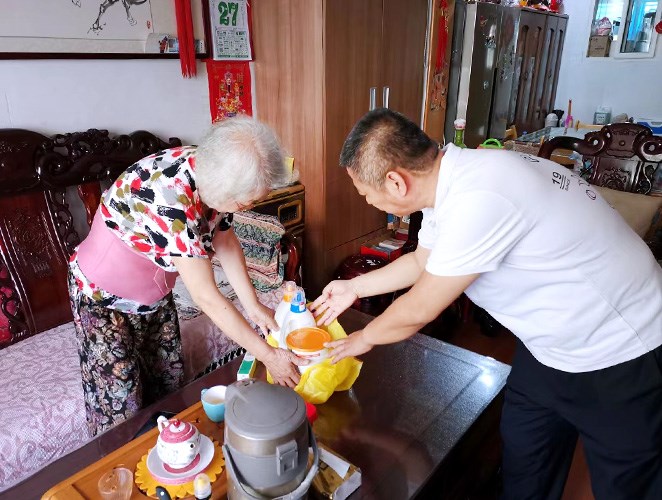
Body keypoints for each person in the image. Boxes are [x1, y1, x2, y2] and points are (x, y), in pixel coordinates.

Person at [311, 108, 662, 499]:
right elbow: (422, 262)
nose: (369, 202)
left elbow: (420, 308)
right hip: (551, 342)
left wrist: (359, 340)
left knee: (627, 484)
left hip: (622, 346)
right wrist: (354, 288)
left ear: (396, 181)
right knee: (525, 454)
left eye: (366, 194)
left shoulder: (480, 197)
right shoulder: (449, 184)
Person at [69, 116, 306, 436]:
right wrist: (269, 355)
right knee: (120, 407)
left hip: (154, 294)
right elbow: (206, 296)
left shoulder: (211, 167)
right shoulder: (173, 202)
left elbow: (225, 239)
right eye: (249, 201)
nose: (251, 206)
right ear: (226, 189)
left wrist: (253, 305)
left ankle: (173, 448)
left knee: (166, 386)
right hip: (103, 298)